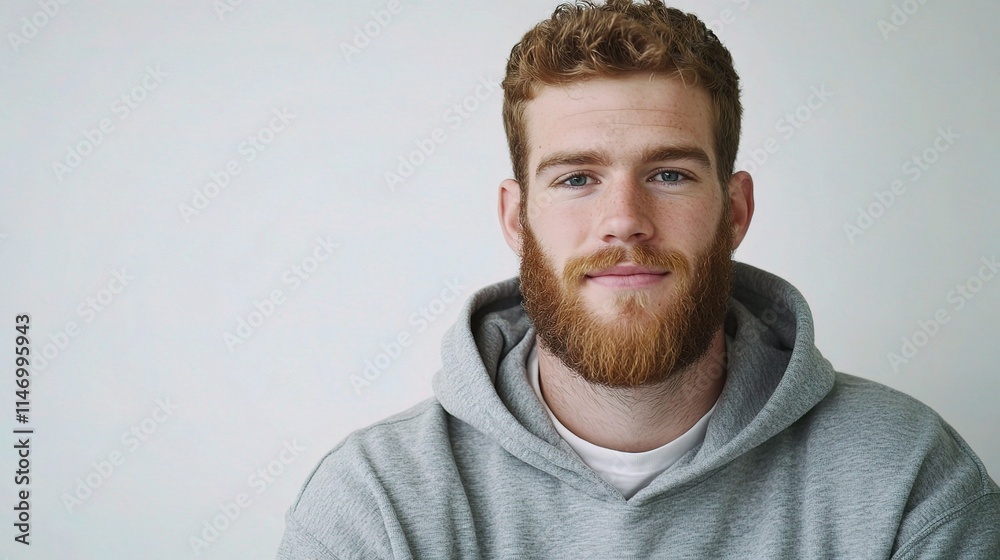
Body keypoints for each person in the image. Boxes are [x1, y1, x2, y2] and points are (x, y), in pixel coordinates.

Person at [277, 1, 1000, 557]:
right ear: (515, 217)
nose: (624, 220)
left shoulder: (906, 477)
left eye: (669, 174)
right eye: (577, 178)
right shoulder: (377, 503)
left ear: (736, 209)